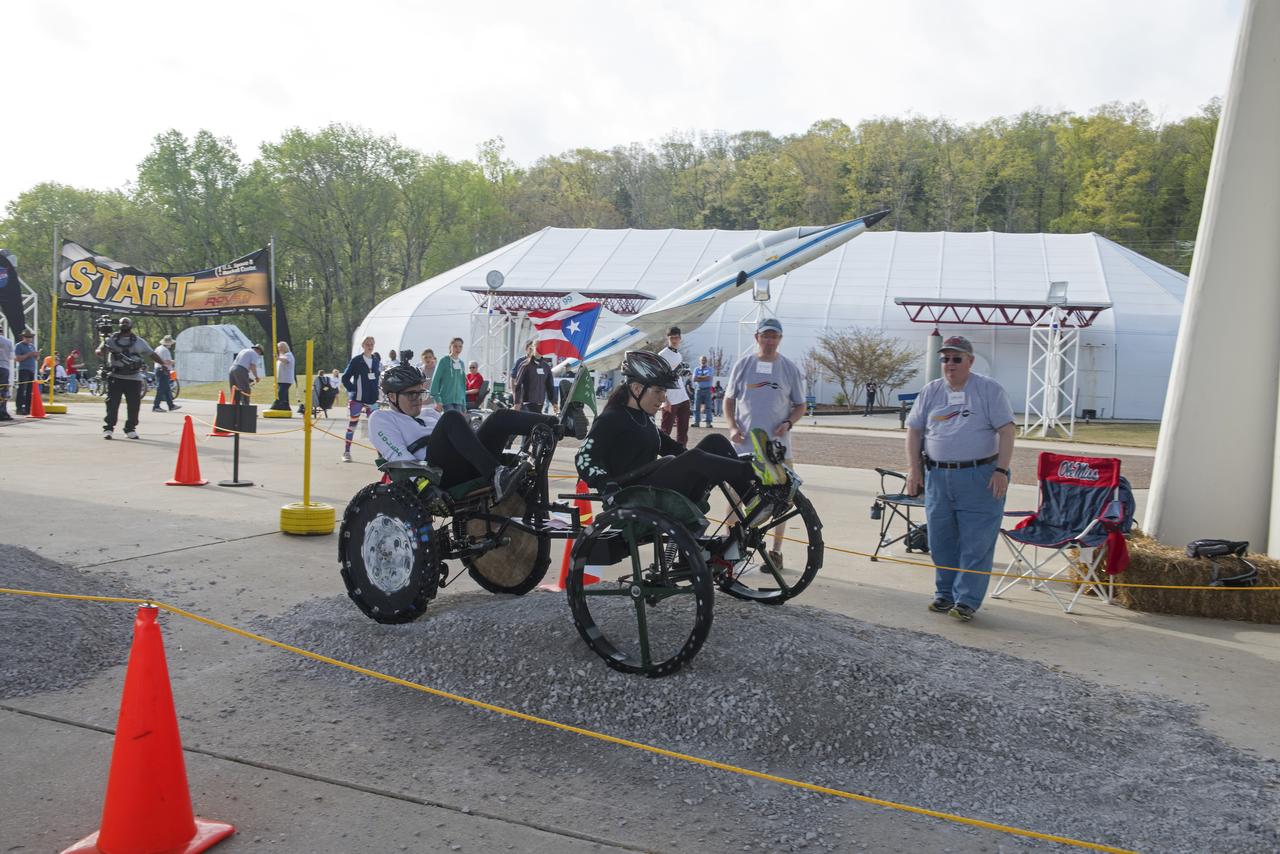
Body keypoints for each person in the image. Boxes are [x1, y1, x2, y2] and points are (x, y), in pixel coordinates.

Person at [575, 351, 790, 540]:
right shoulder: (611, 418)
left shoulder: (642, 418)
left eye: (664, 392)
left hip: (654, 488)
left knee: (714, 441)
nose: (663, 398)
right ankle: (758, 470)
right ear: (637, 388)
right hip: (634, 495)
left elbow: (674, 448)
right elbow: (584, 458)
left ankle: (752, 498)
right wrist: (606, 485)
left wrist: (705, 464)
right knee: (695, 458)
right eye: (658, 391)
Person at [904, 335, 1015, 623]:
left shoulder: (989, 389)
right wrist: (914, 470)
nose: (950, 364)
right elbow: (914, 431)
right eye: (945, 359)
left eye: (956, 359)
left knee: (976, 542)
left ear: (970, 361)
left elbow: (1007, 431)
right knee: (941, 539)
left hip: (980, 476)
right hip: (938, 476)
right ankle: (945, 594)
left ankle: (967, 600)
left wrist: (1001, 470)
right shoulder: (931, 391)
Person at [369, 363, 558, 502]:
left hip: (469, 464)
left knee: (498, 418)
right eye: (412, 394)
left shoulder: (429, 413)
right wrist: (423, 486)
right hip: (437, 474)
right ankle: (497, 475)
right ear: (392, 396)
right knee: (451, 417)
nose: (418, 399)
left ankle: (560, 424)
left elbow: (463, 437)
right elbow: (398, 457)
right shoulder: (381, 418)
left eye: (420, 393)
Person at [724, 317, 806, 569]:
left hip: (777, 449)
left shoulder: (789, 369)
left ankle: (775, 553)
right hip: (744, 446)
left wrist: (788, 422)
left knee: (782, 500)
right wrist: (732, 426)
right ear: (757, 337)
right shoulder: (743, 365)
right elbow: (729, 399)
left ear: (780, 339)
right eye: (765, 336)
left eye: (774, 336)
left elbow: (800, 405)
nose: (769, 341)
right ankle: (730, 550)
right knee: (735, 496)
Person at [95, 317, 164, 439]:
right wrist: (100, 351)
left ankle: (130, 429)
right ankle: (108, 428)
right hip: (116, 377)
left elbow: (151, 354)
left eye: (127, 323)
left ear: (131, 325)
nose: (124, 324)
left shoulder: (139, 341)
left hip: (133, 378)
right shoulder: (111, 339)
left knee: (134, 405)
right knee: (112, 404)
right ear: (119, 325)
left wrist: (163, 363)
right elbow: (100, 350)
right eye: (122, 323)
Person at [340, 336, 381, 462]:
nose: (370, 346)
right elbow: (345, 378)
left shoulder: (376, 361)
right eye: (367, 344)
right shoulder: (356, 360)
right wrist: (353, 389)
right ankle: (346, 452)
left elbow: (377, 378)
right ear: (363, 345)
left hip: (372, 400)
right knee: (352, 425)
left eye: (372, 344)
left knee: (376, 427)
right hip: (357, 399)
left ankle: (381, 455)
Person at [657, 326, 692, 446]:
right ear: (668, 338)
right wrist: (665, 400)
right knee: (666, 430)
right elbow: (660, 378)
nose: (674, 340)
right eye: (672, 338)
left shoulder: (679, 355)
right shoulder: (662, 354)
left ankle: (682, 453)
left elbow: (676, 374)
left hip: (682, 396)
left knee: (683, 431)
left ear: (680, 338)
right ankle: (659, 453)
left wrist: (684, 372)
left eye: (676, 338)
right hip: (670, 397)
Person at [512, 341, 557, 414]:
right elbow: (518, 384)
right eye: (538, 348)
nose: (540, 350)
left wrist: (554, 402)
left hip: (540, 403)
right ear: (533, 348)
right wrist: (517, 402)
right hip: (527, 403)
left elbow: (550, 386)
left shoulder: (546, 366)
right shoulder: (525, 365)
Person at [430, 337, 468, 413]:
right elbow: (435, 380)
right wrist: (437, 400)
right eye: (455, 346)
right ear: (450, 346)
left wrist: (464, 403)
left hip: (459, 402)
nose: (458, 349)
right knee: (450, 419)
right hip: (446, 401)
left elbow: (462, 385)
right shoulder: (444, 361)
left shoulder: (461, 363)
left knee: (458, 420)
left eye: (460, 346)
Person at [151, 335, 181, 413]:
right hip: (163, 370)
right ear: (168, 343)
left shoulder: (158, 348)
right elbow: (166, 361)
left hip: (158, 369)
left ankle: (171, 405)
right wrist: (173, 362)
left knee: (167, 389)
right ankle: (156, 406)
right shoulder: (165, 350)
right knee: (161, 389)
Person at [14, 329, 37, 415]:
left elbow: (35, 359)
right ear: (23, 337)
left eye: (30, 337)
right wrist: (28, 354)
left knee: (30, 390)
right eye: (26, 337)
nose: (28, 338)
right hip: (23, 369)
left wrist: (36, 355)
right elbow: (18, 358)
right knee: (22, 388)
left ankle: (28, 408)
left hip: (31, 370)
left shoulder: (32, 346)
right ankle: (19, 408)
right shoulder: (18, 346)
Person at [692, 355, 714, 428]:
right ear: (699, 361)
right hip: (698, 389)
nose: (703, 361)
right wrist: (703, 378)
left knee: (708, 407)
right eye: (702, 360)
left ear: (706, 361)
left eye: (704, 360)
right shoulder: (696, 369)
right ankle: (696, 422)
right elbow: (694, 379)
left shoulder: (710, 369)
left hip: (707, 389)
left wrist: (699, 378)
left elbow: (708, 378)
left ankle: (708, 423)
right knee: (696, 407)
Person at [273, 341, 295, 411]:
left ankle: (282, 405)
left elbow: (286, 361)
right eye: (279, 347)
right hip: (281, 379)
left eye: (281, 347)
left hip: (286, 379)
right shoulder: (282, 355)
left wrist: (278, 358)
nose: (279, 349)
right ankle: (286, 406)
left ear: (285, 347)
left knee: (281, 393)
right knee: (284, 393)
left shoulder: (289, 355)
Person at [0, 330, 13, 421]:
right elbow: (12, 356)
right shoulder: (8, 342)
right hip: (4, 368)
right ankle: (2, 412)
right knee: (3, 391)